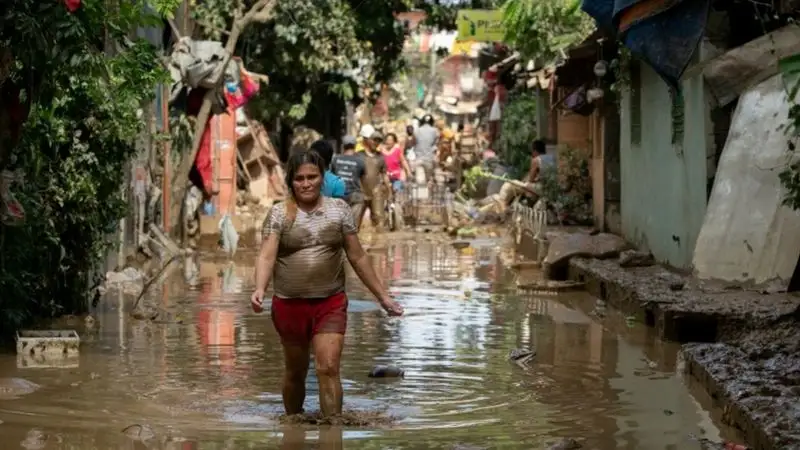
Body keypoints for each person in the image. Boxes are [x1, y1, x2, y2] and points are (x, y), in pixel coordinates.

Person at [251, 151, 404, 419]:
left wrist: (383, 297)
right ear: (291, 181)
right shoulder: (278, 214)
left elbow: (357, 256)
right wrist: (259, 289)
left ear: (323, 178)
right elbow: (266, 255)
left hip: (329, 303)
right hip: (289, 304)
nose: (306, 183)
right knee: (295, 370)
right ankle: (293, 426)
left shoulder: (339, 210)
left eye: (312, 177)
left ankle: (333, 432)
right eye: (299, 178)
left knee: (328, 367)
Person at [357, 125, 391, 231]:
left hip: (376, 192)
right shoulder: (358, 156)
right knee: (355, 221)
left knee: (379, 221)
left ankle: (380, 245)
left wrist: (389, 190)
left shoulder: (380, 157)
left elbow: (384, 175)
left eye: (378, 141)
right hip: (360, 191)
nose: (376, 143)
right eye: (374, 140)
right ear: (367, 140)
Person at [331, 135, 366, 213]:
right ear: (355, 146)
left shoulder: (335, 159)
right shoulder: (360, 161)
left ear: (343, 145)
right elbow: (364, 181)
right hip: (354, 196)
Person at [413, 114, 439, 185]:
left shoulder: (417, 130)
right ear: (432, 122)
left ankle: (422, 194)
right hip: (429, 159)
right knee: (428, 179)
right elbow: (435, 144)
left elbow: (414, 142)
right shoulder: (435, 131)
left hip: (419, 158)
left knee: (420, 181)